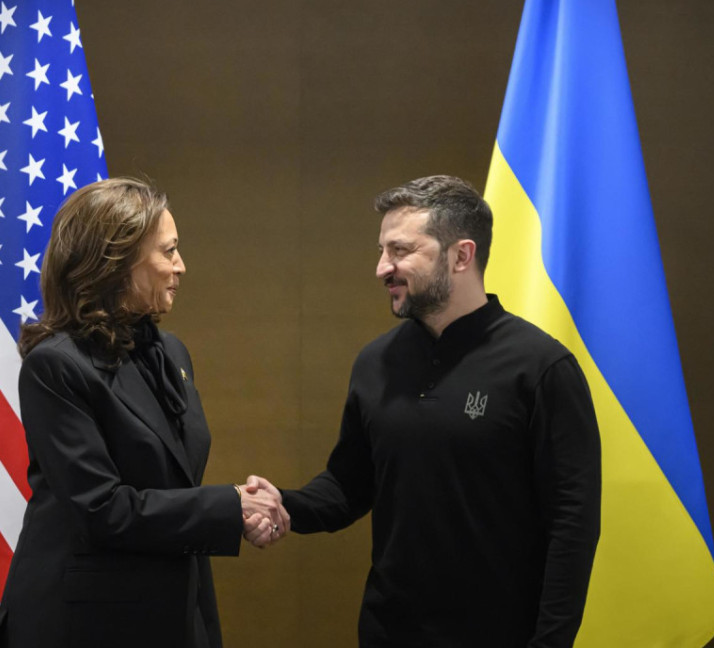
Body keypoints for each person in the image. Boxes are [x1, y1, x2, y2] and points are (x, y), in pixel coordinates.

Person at [246, 175, 601, 647]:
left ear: (461, 256)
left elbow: (573, 525)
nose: (381, 268)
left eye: (399, 251)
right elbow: (348, 486)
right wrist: (280, 505)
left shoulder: (541, 368)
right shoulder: (375, 363)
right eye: (381, 251)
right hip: (389, 633)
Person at [0, 177, 289, 648]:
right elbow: (102, 510)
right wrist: (229, 506)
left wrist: (240, 511)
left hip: (173, 606)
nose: (181, 266)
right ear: (117, 262)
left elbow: (172, 483)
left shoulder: (172, 352)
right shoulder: (57, 365)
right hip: (85, 623)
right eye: (168, 252)